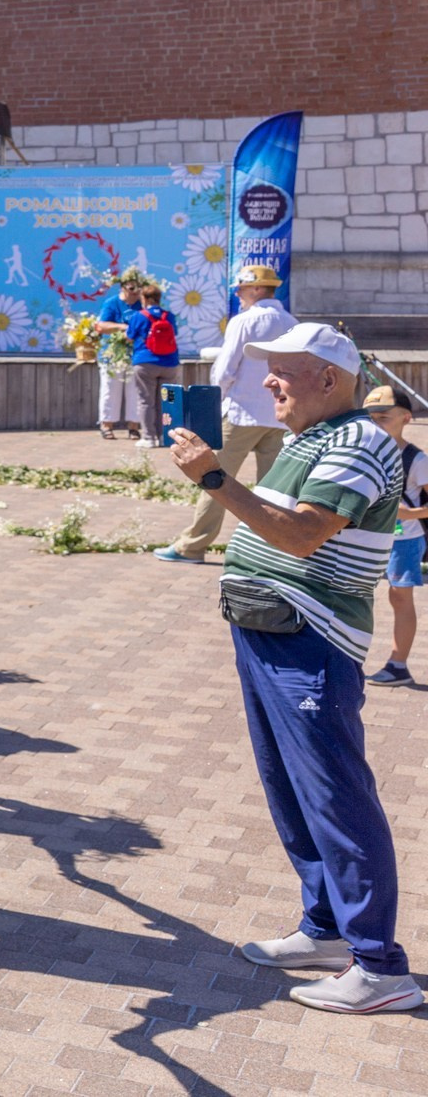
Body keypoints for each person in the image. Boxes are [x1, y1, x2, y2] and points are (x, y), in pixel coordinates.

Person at [169, 322, 421, 1011]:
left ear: (330, 379)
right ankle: (328, 931)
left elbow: (303, 534)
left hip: (311, 640)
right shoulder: (311, 438)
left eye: (282, 369)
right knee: (292, 791)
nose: (268, 381)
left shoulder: (358, 440)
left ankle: (380, 969)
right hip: (273, 634)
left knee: (335, 797)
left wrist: (214, 477)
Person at [160, 262, 296, 562]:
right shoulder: (292, 322)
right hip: (279, 416)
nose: (237, 293)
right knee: (273, 489)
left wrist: (219, 397)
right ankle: (270, 550)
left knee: (213, 479)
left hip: (240, 414)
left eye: (242, 288)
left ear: (257, 289)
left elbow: (224, 370)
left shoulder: (244, 321)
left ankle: (193, 546)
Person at [363, 387, 428, 686]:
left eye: (384, 417)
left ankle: (398, 665)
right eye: (371, 419)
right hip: (371, 537)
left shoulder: (416, 460)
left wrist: (408, 514)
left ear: (406, 418)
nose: (376, 424)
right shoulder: (365, 455)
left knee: (400, 598)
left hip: (404, 541)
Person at [93, 269, 149, 438]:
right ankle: (106, 425)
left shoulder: (142, 305)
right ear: (123, 287)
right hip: (112, 354)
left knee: (135, 391)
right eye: (132, 288)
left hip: (136, 354)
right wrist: (123, 327)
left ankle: (134, 427)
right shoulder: (112, 303)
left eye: (138, 288)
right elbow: (101, 325)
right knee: (110, 389)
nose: (135, 292)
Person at [129, 281, 183, 446]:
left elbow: (130, 336)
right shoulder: (169, 316)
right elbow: (174, 333)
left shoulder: (139, 316)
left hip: (145, 362)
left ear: (144, 298)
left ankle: (149, 438)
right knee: (166, 402)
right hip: (170, 363)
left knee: (146, 401)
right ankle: (165, 436)